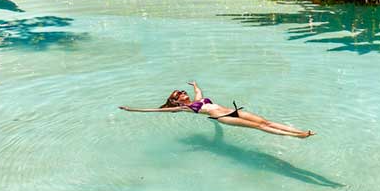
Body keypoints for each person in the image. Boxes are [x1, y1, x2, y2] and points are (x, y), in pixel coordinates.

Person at [119, 81, 314, 138]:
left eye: (183, 91)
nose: (184, 93)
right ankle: (298, 136)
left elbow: (199, 92)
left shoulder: (197, 100)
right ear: (177, 102)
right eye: (180, 94)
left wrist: (195, 85)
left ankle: (299, 131)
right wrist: (132, 110)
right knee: (260, 127)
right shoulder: (185, 109)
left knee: (265, 122)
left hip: (234, 110)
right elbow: (156, 111)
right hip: (223, 117)